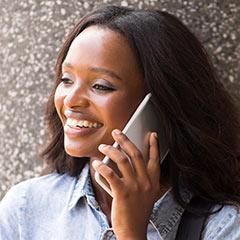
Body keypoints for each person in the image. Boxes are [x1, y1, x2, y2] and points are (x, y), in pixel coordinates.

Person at [0, 5, 240, 240]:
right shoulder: (25, 208)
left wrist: (131, 233)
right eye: (66, 79)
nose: (71, 100)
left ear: (159, 106)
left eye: (100, 86)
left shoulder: (223, 226)